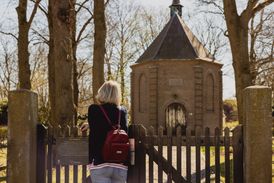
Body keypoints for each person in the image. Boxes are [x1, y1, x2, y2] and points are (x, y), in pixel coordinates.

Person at [81, 80, 128, 183]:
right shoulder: (122, 111)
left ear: (102, 92)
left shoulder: (94, 110)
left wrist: (89, 125)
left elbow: (99, 128)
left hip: (100, 162)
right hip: (119, 162)